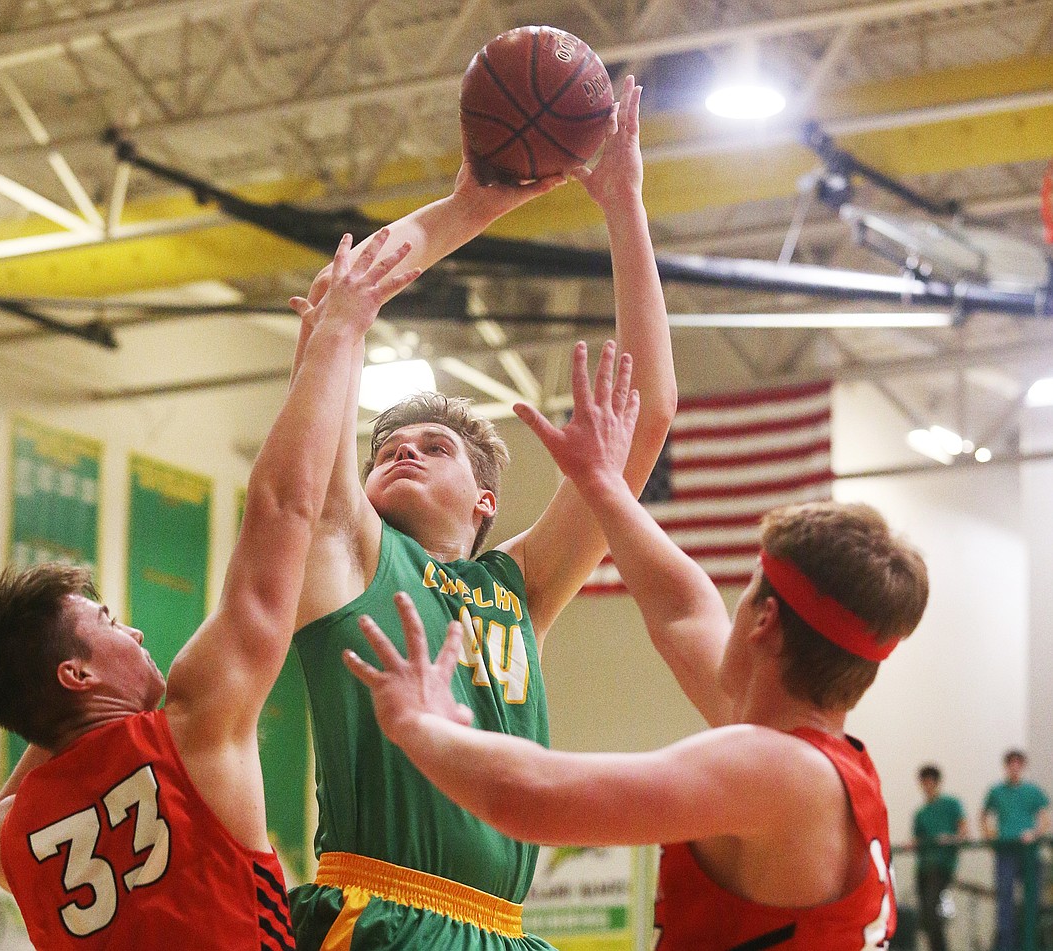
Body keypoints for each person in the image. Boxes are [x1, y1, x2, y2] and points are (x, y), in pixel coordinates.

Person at [344, 340, 931, 950]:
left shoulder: (775, 770)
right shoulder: (814, 754)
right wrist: (601, 483)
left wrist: (421, 724)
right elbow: (682, 609)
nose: (728, 607)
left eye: (749, 587)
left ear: (764, 622)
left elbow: (535, 799)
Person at [285, 76, 676, 951]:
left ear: (486, 501)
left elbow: (646, 417)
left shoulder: (517, 587)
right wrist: (470, 205)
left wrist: (623, 206)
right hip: (379, 912)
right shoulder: (348, 551)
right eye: (388, 443)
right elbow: (332, 308)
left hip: (505, 931)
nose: (402, 449)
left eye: (435, 444)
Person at [0, 231, 421, 950]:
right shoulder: (196, 725)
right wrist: (338, 333)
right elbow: (283, 510)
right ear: (75, 672)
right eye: (106, 621)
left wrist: (46, 701)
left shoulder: (8, 840)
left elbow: (41, 739)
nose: (133, 631)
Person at [980, 749, 1051, 951]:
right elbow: (983, 816)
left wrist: (1034, 834)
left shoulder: (1032, 791)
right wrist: (991, 839)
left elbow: (1045, 817)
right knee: (1005, 903)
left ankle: (1031, 944)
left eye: (1018, 763)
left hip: (1028, 854)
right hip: (1005, 852)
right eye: (1011, 763)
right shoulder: (996, 791)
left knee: (1032, 901)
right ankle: (1006, 946)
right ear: (1006, 766)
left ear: (1022, 766)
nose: (1014, 767)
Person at [912, 764, 967, 951]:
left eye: (930, 781)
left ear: (937, 783)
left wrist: (949, 839)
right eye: (924, 782)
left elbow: (964, 832)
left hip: (942, 867)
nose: (927, 786)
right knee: (925, 915)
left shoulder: (952, 805)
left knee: (932, 910)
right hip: (923, 867)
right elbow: (916, 839)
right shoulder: (921, 813)